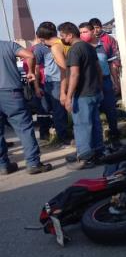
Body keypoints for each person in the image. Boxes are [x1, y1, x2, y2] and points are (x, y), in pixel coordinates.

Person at [0, 39, 52, 174]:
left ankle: (3, 165)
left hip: (9, 92)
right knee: (24, 128)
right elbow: (30, 55)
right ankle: (33, 163)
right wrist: (30, 72)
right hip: (10, 92)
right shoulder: (8, 45)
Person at [59, 22, 104, 169]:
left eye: (63, 35)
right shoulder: (89, 47)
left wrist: (68, 95)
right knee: (95, 123)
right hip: (94, 92)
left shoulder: (74, 50)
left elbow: (74, 74)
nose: (61, 38)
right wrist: (100, 87)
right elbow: (98, 69)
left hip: (83, 94)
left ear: (70, 35)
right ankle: (97, 152)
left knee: (82, 126)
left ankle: (85, 157)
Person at [80, 22, 120, 147]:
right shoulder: (81, 47)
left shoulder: (105, 45)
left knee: (111, 111)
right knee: (93, 114)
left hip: (106, 81)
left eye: (85, 32)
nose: (82, 35)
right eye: (80, 32)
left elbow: (111, 65)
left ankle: (115, 137)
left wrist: (116, 82)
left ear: (93, 31)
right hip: (90, 84)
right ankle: (97, 143)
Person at [35, 21, 70, 145]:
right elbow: (37, 67)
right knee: (56, 111)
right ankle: (63, 135)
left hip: (58, 82)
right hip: (50, 82)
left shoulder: (58, 45)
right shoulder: (42, 48)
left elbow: (64, 68)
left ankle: (64, 137)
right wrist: (37, 85)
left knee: (59, 111)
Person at [90, 17, 121, 97]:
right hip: (91, 78)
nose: (95, 30)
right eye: (93, 28)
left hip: (106, 76)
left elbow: (114, 61)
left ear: (101, 27)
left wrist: (116, 82)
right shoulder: (86, 40)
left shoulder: (109, 39)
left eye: (97, 27)